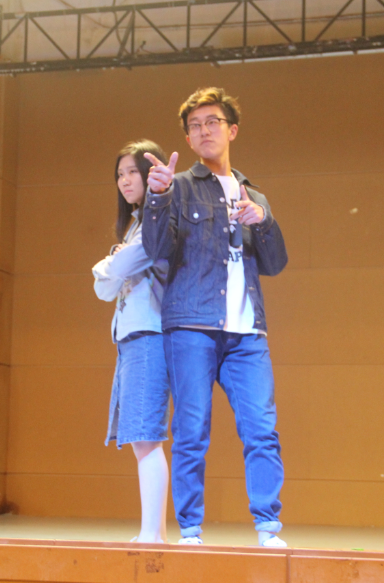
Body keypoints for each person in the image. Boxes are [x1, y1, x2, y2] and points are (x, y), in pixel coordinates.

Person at [141, 88, 289, 547]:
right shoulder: (179, 186)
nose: (204, 131)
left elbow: (275, 264)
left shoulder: (254, 193)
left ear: (232, 130)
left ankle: (268, 528)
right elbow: (156, 249)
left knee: (262, 430)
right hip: (192, 325)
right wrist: (157, 196)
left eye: (213, 122)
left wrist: (262, 220)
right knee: (191, 431)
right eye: (195, 126)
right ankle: (190, 531)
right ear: (188, 139)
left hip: (247, 332)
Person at [93, 139, 171, 544]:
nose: (125, 181)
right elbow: (103, 290)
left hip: (148, 334)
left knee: (146, 437)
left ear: (150, 174)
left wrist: (110, 261)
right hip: (130, 338)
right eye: (119, 174)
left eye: (132, 172)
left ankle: (152, 535)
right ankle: (153, 533)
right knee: (143, 438)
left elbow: (120, 266)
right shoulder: (135, 225)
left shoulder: (157, 219)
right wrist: (115, 261)